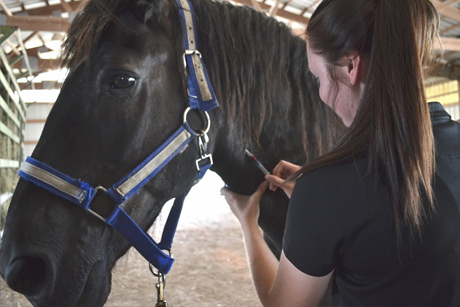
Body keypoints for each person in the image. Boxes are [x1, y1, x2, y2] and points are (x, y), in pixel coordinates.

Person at [220, 0, 460, 306]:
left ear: (350, 66)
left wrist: (248, 224)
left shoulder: (325, 190)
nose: (321, 93)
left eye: (318, 78)